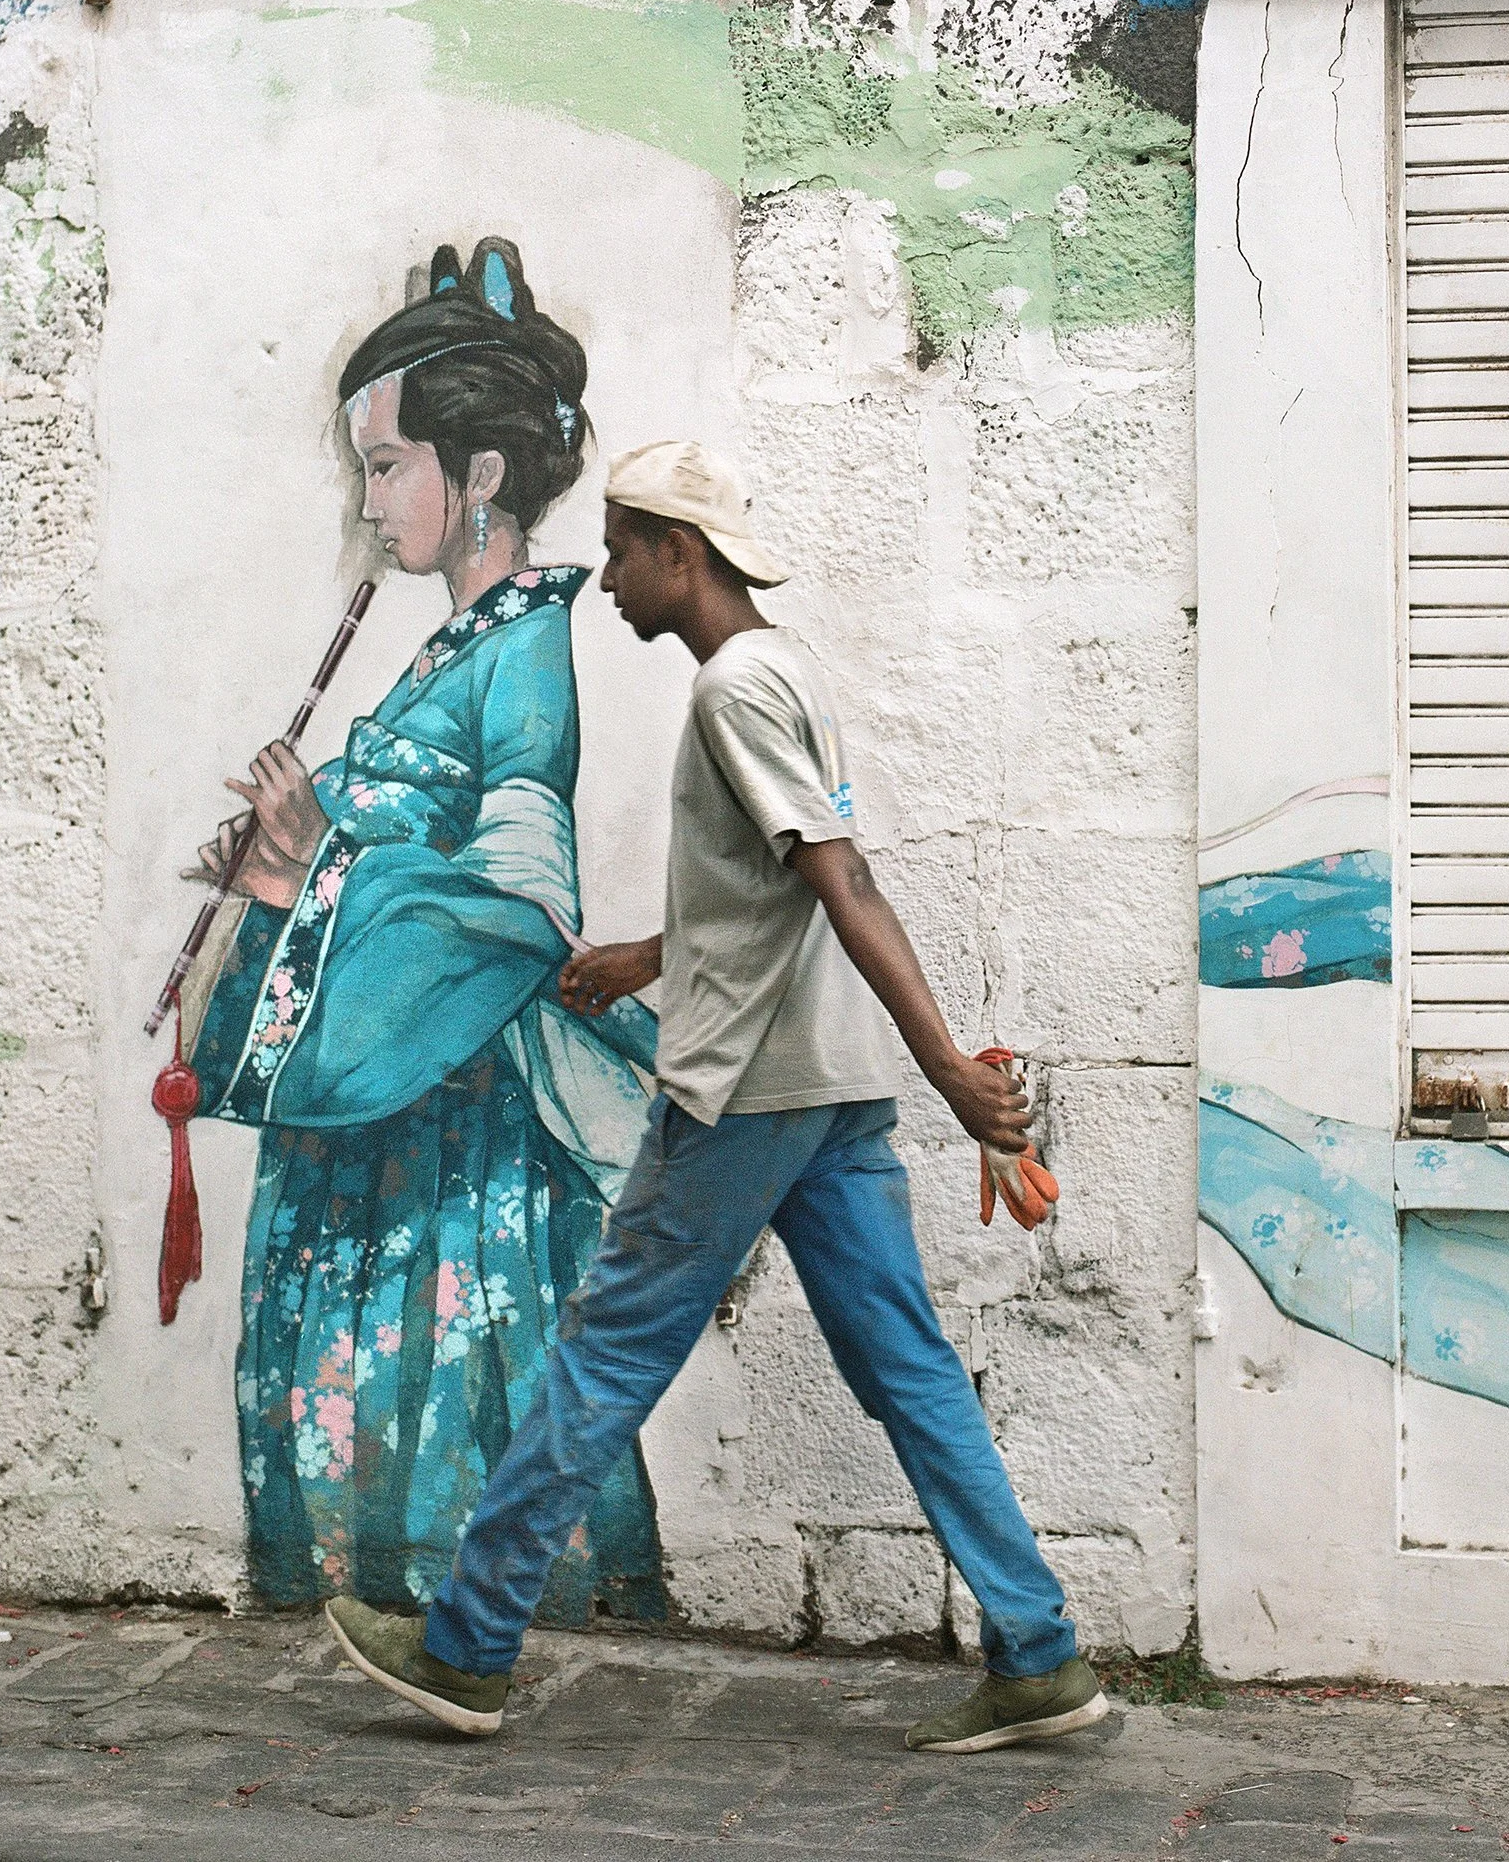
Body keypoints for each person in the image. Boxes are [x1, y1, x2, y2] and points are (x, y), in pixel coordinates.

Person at [321, 439, 1110, 1756]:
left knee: (602, 1355)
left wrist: (956, 1076)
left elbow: (843, 884)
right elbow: (772, 889)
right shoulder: (786, 668)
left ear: (680, 555)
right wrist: (647, 952)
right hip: (825, 1086)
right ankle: (1037, 1651)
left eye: (627, 546)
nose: (611, 570)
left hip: (746, 1095)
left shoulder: (733, 691)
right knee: (911, 1372)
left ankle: (465, 1646)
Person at [184, 240, 664, 1628]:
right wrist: (295, 840)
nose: (371, 495)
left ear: (483, 476)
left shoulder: (521, 650)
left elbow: (517, 904)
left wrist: (313, 861)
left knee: (448, 1373)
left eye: (390, 463)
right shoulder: (448, 648)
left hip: (448, 1113)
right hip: (391, 1098)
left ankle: (459, 1625)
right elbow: (405, 848)